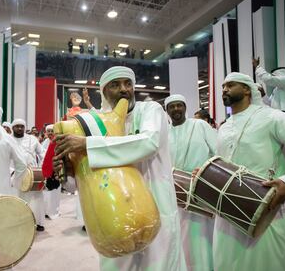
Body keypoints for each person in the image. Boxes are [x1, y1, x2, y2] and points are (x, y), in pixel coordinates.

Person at [53, 66, 186, 270]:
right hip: (113, 216)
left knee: (159, 265)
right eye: (115, 85)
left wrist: (88, 145)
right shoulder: (93, 123)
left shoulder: (150, 110)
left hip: (156, 205)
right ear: (104, 91)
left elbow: (150, 143)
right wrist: (69, 172)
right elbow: (80, 184)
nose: (124, 89)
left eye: (128, 84)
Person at [208, 72, 285, 270]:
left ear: (246, 89)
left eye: (230, 85)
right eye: (223, 85)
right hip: (230, 213)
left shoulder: (271, 117)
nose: (224, 89)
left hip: (272, 209)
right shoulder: (224, 128)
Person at [165, 94, 216, 271]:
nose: (176, 109)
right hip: (175, 195)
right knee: (179, 239)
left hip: (201, 190)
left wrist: (207, 173)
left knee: (202, 236)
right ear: (167, 111)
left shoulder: (199, 125)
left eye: (179, 105)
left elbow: (218, 151)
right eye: (172, 106)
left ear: (185, 108)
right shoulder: (164, 133)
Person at [12, 118, 46, 231]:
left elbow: (42, 153)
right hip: (15, 173)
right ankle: (20, 222)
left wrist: (41, 168)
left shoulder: (32, 139)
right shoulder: (8, 140)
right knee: (18, 197)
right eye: (17, 126)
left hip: (33, 173)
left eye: (22, 126)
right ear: (13, 128)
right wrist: (10, 171)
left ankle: (39, 222)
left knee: (37, 197)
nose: (20, 128)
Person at [253, 57, 285, 121]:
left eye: (275, 76)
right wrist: (263, 94)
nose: (274, 78)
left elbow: (267, 79)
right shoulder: (277, 89)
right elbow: (270, 104)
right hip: (281, 121)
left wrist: (257, 67)